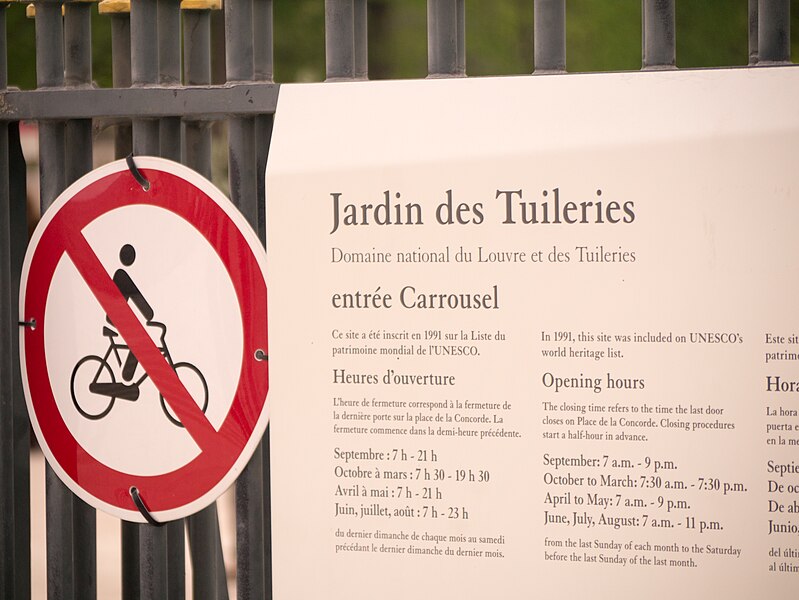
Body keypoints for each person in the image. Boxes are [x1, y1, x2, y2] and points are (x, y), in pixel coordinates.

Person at [108, 244, 154, 381]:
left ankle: (127, 377)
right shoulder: (121, 275)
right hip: (116, 318)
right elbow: (137, 298)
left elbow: (136, 297)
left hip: (121, 317)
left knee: (140, 340)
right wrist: (149, 314)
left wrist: (148, 314)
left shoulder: (122, 274)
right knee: (142, 342)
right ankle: (126, 377)